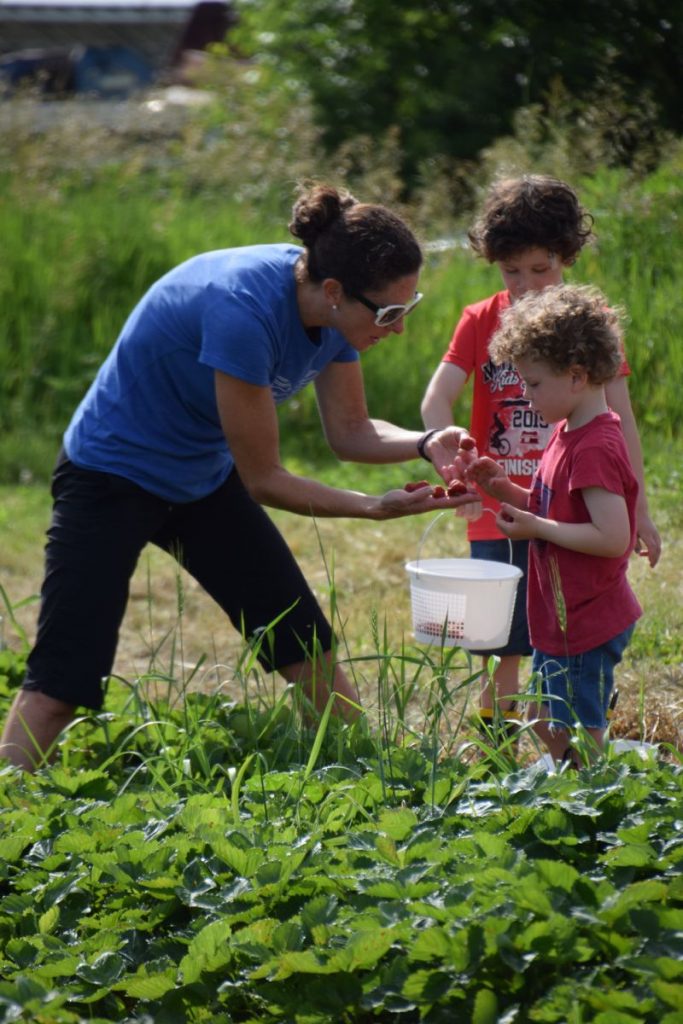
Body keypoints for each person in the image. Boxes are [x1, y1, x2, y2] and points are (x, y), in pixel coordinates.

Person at [0, 182, 477, 772]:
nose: (399, 327)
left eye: (410, 307)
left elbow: (350, 431)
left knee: (304, 645)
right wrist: (372, 508)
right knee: (64, 680)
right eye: (388, 312)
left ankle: (372, 780)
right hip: (112, 474)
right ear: (334, 292)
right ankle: (13, 807)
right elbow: (265, 480)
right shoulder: (243, 310)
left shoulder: (336, 319)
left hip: (199, 479)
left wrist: (428, 443)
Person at [421, 175, 660, 744]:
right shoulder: (482, 319)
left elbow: (621, 421)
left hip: (580, 503)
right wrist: (453, 466)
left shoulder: (586, 326)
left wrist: (641, 511)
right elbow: (437, 399)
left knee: (570, 618)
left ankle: (579, 713)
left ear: (567, 255)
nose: (527, 285)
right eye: (512, 271)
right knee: (501, 634)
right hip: (502, 503)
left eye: (542, 268)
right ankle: (500, 743)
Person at [465, 283, 643, 765]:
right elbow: (556, 508)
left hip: (587, 620)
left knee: (575, 729)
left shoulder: (596, 448)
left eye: (534, 383)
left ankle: (595, 805)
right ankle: (582, 786)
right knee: (547, 720)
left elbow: (612, 538)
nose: (525, 394)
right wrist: (506, 490)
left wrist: (536, 529)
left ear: (577, 376)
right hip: (562, 618)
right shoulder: (567, 433)